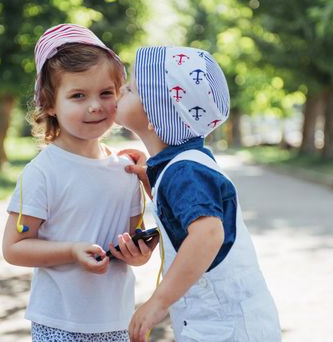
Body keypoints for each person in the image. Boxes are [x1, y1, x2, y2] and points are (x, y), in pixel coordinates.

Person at [2, 24, 157, 342]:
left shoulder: (127, 170)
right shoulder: (42, 172)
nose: (95, 106)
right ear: (49, 103)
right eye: (77, 95)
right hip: (59, 322)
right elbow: (14, 248)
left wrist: (138, 254)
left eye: (106, 93)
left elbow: (134, 245)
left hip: (116, 320)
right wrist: (72, 251)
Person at [115, 46, 281, 342]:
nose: (121, 90)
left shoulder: (184, 173)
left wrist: (159, 302)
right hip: (227, 322)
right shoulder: (186, 165)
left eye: (130, 89)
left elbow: (208, 235)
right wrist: (150, 181)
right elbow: (185, 212)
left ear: (156, 114)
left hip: (224, 328)